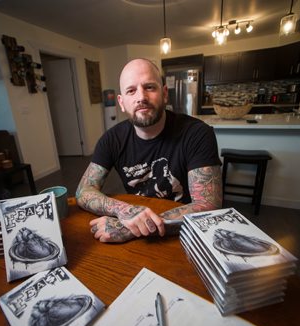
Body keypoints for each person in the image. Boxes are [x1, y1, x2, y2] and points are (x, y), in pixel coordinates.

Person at [76, 58, 222, 243]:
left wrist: (128, 228)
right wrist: (125, 211)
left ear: (164, 93)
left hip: (184, 233)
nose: (141, 97)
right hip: (135, 226)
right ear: (121, 102)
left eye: (150, 87)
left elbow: (208, 205)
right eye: (131, 90)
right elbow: (83, 191)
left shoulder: (197, 133)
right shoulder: (111, 139)